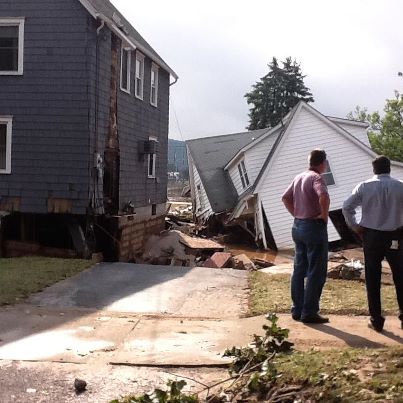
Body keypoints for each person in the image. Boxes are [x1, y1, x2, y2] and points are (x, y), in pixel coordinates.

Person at [342, 156, 403, 332]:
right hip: (395, 235)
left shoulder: (364, 187)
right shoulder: (400, 186)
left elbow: (347, 207)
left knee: (372, 277)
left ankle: (376, 319)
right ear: (389, 168)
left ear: (374, 169)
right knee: (400, 275)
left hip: (372, 236)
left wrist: (355, 227)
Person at [282, 149, 330, 324]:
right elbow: (323, 195)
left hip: (298, 226)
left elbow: (285, 197)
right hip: (313, 226)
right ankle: (309, 312)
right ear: (322, 163)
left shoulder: (299, 177)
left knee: (299, 269)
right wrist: (324, 215)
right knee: (316, 270)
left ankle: (297, 309)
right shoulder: (317, 178)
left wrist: (296, 213)